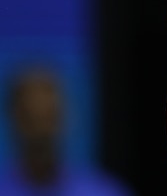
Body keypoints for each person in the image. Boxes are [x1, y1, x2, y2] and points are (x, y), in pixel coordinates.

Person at [0, 65, 133, 195]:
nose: (41, 133)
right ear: (13, 119)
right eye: (30, 119)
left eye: (49, 117)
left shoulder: (106, 192)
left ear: (65, 118)